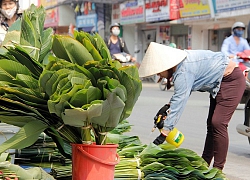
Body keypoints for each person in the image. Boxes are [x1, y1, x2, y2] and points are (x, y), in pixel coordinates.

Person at [139, 42, 245, 170]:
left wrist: (164, 134)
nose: (158, 75)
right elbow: (181, 94)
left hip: (232, 81)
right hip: (219, 83)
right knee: (211, 125)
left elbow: (180, 101)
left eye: (158, 72)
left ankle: (218, 170)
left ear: (166, 66)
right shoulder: (181, 67)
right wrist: (167, 107)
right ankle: (204, 164)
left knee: (218, 123)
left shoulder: (183, 70)